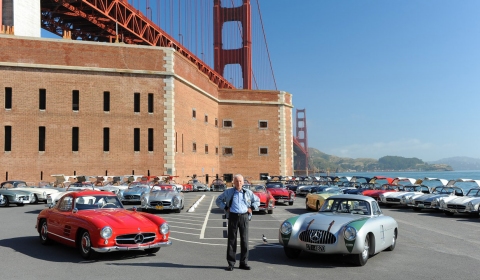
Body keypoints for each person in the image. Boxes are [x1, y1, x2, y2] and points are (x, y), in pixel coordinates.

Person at [215, 174, 260, 271]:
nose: (238, 183)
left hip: (244, 217)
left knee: (245, 240)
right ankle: (231, 263)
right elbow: (218, 200)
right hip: (233, 217)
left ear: (243, 182)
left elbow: (257, 201)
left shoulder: (248, 192)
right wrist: (226, 208)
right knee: (232, 240)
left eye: (240, 181)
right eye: (236, 181)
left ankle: (243, 263)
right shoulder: (228, 192)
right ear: (233, 182)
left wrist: (251, 208)